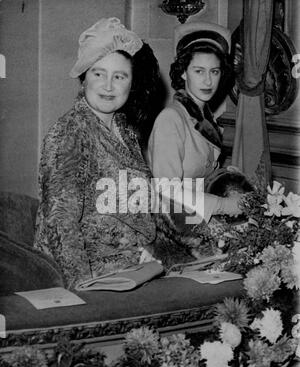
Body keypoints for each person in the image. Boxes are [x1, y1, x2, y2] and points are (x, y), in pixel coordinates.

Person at [34, 17, 199, 290]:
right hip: (87, 275)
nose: (108, 86)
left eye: (119, 76)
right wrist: (85, 289)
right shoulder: (70, 133)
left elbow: (143, 206)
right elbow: (60, 223)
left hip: (133, 265)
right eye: (98, 73)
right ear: (83, 78)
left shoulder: (125, 130)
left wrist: (193, 244)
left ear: (131, 84)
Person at [147, 22, 244, 225]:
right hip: (174, 223)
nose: (208, 81)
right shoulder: (171, 118)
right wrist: (222, 204)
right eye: (199, 71)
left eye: (214, 72)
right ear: (183, 72)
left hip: (196, 218)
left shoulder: (205, 118)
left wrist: (224, 176)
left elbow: (198, 175)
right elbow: (166, 191)